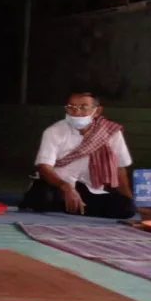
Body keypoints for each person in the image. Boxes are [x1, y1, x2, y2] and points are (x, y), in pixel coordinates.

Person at [21, 90, 136, 219]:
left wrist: (129, 200)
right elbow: (45, 167)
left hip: (87, 189)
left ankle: (73, 207)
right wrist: (65, 187)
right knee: (44, 196)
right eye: (71, 107)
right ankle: (76, 208)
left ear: (97, 111)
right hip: (57, 185)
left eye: (83, 107)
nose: (76, 112)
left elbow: (120, 168)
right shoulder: (54, 131)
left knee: (126, 208)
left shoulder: (110, 133)